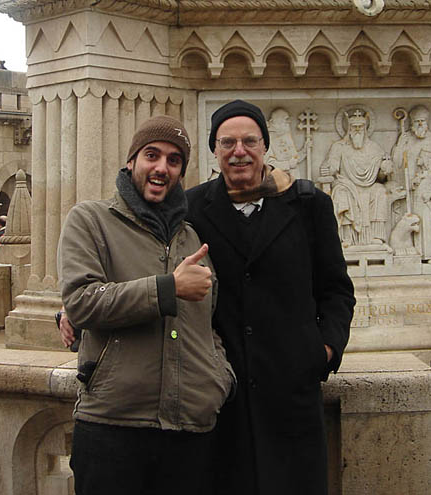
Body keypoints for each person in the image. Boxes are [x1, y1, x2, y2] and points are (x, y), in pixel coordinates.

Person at [57, 115, 235, 495]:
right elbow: (81, 301)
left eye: (174, 161)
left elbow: (209, 324)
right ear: (131, 161)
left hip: (191, 428)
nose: (161, 167)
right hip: (113, 427)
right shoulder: (90, 220)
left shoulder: (192, 238)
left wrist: (218, 379)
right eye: (151, 155)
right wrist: (168, 288)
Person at [186, 100, 356, 495]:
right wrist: (72, 310)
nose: (239, 151)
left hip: (290, 392)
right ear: (215, 149)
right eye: (227, 142)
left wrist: (325, 349)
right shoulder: (192, 207)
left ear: (265, 146)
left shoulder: (308, 204)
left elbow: (336, 289)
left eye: (249, 140)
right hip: (222, 393)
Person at [320, 109, 393, 247]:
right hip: (346, 185)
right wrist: (327, 169)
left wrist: (385, 169)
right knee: (341, 193)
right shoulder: (339, 147)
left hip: (369, 187)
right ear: (348, 129)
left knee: (380, 191)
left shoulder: (374, 148)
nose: (358, 130)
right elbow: (332, 167)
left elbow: (381, 177)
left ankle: (377, 237)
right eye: (354, 127)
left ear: (366, 128)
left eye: (361, 127)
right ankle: (346, 237)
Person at [391, 105, 431, 251]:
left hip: (429, 187)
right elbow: (397, 162)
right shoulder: (406, 137)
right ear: (412, 124)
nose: (420, 124)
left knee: (428, 221)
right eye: (417, 121)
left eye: (423, 121)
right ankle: (412, 248)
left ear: (427, 123)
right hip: (411, 188)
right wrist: (401, 146)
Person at [266, 107, 307, 179]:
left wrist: (304, 151)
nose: (288, 123)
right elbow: (269, 164)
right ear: (277, 121)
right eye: (286, 120)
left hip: (294, 179)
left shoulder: (286, 137)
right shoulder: (268, 140)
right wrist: (288, 164)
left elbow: (294, 159)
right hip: (279, 181)